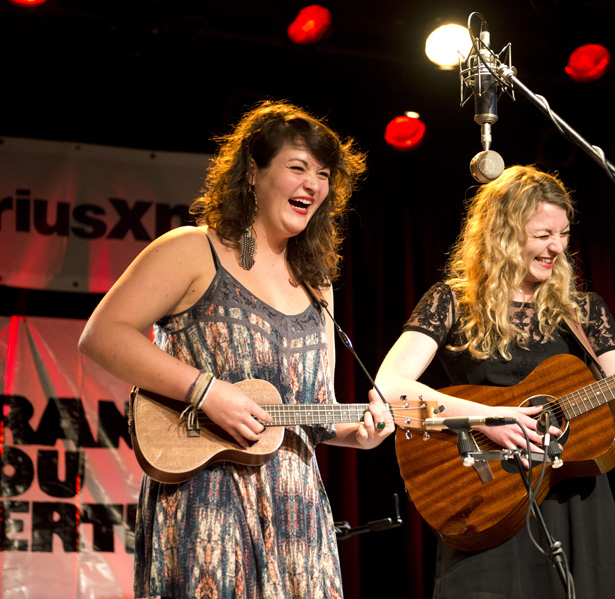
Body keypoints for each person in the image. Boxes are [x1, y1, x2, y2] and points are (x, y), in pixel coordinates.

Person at [374, 165, 615, 598]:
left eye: (563, 234)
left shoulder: (584, 312)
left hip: (581, 509)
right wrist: (487, 416)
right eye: (543, 234)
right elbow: (390, 387)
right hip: (489, 502)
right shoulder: (451, 301)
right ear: (502, 233)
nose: (557, 247)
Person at [78, 100, 395, 598]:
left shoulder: (317, 284)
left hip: (298, 514)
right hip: (207, 504)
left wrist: (361, 434)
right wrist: (206, 391)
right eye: (297, 168)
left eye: (323, 174)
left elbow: (317, 410)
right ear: (253, 173)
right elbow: (103, 335)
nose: (312, 184)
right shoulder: (191, 249)